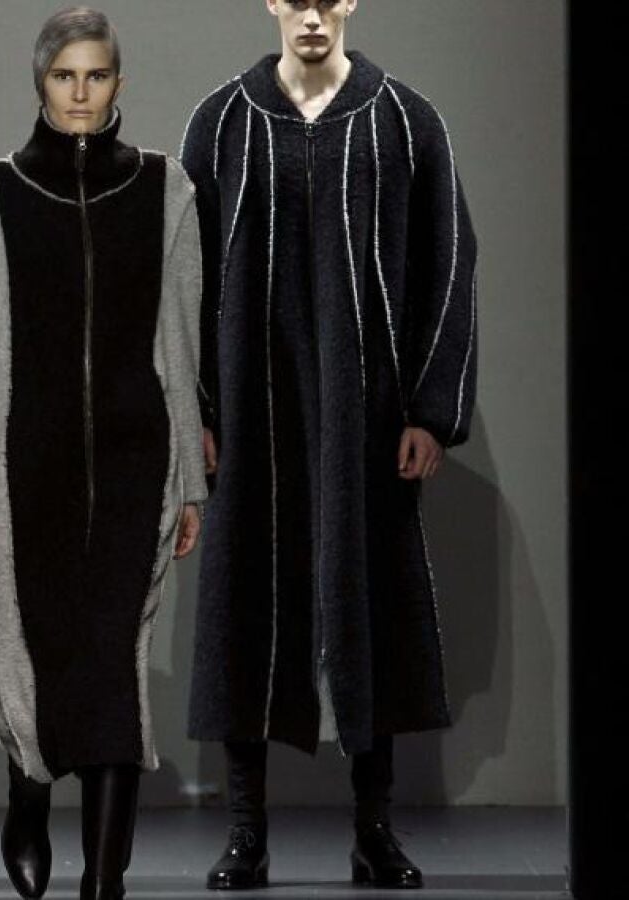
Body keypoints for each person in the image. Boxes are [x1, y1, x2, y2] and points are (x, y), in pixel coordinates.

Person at [178, 0, 477, 890]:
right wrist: (196, 409)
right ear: (271, 3)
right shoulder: (221, 123)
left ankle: (373, 829)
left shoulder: (404, 121)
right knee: (243, 598)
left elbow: (448, 263)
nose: (311, 14)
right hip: (249, 405)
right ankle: (244, 831)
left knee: (368, 599)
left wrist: (429, 410)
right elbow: (182, 274)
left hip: (367, 412)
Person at [0, 8, 206, 898]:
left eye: (96, 75)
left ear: (119, 81)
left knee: (115, 659)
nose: (80, 93)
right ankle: (27, 790)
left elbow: (179, 341)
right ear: (40, 82)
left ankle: (104, 881)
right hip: (20, 463)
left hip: (134, 460)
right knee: (30, 646)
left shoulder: (166, 191)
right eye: (63, 76)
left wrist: (190, 479)